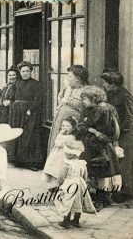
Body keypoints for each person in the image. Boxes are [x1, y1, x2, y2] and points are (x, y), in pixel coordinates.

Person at [76, 85, 122, 210]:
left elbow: (81, 126)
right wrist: (92, 129)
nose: (83, 102)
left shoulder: (100, 111)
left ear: (93, 98)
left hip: (96, 145)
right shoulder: (108, 108)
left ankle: (99, 200)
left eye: (85, 99)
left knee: (98, 171)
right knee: (102, 172)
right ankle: (102, 198)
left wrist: (89, 128)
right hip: (103, 144)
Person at [102, 71, 133, 203]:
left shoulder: (124, 96)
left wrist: (118, 132)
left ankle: (125, 191)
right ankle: (118, 189)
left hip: (125, 134)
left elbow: (129, 117)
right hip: (116, 133)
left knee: (124, 162)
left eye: (105, 82)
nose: (103, 84)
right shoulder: (111, 94)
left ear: (112, 84)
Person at [8, 61, 45, 170]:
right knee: (18, 134)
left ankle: (30, 162)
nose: (25, 73)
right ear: (20, 72)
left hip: (29, 113)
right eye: (23, 71)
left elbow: (38, 100)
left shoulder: (36, 84)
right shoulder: (17, 83)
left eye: (27, 71)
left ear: (30, 72)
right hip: (17, 113)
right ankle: (18, 160)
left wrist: (30, 110)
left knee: (29, 135)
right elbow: (12, 96)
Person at [53, 139, 96, 229]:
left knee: (67, 202)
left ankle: (66, 221)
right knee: (78, 202)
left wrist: (59, 184)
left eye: (66, 153)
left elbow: (61, 177)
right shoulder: (82, 163)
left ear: (70, 154)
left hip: (70, 185)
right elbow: (85, 175)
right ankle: (76, 220)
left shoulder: (67, 164)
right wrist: (83, 183)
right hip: (80, 184)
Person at [48, 65, 88, 154]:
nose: (67, 79)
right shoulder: (67, 89)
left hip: (73, 125)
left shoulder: (86, 91)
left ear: (78, 78)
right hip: (61, 122)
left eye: (70, 76)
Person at [43, 116, 77, 184]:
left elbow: (58, 143)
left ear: (73, 128)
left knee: (59, 170)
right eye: (63, 125)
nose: (64, 127)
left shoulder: (70, 137)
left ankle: (58, 184)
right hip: (57, 155)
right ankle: (55, 184)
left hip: (61, 156)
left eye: (67, 126)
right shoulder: (64, 136)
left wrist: (60, 134)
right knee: (54, 170)